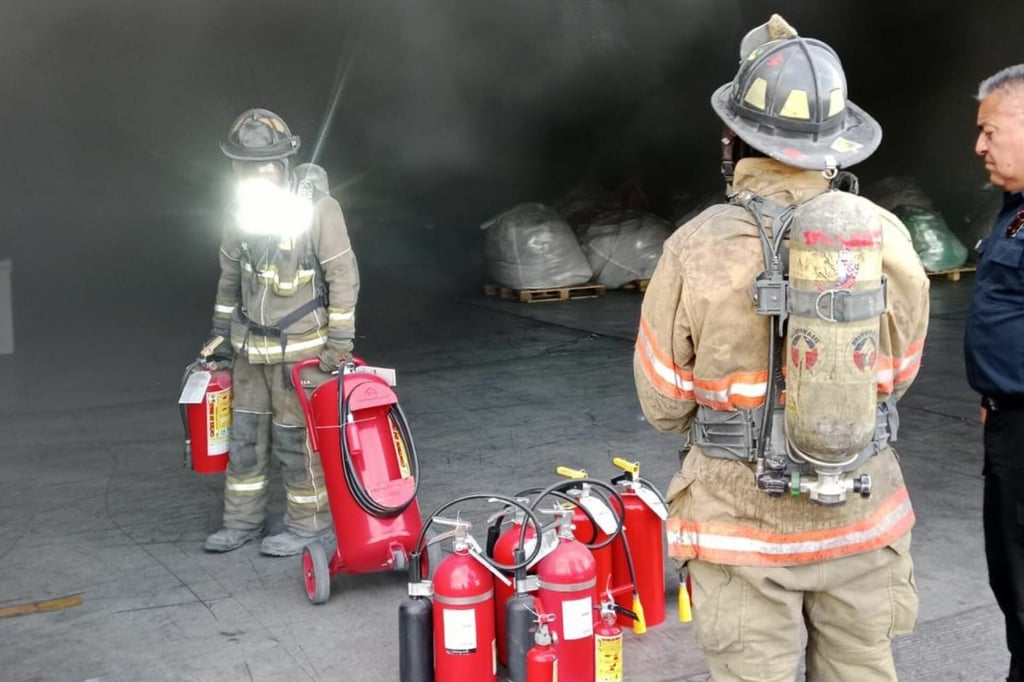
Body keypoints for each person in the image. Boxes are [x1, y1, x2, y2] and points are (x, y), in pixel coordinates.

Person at [633, 15, 930, 681]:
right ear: (836, 142)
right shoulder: (886, 237)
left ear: (734, 138)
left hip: (740, 528)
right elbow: (900, 376)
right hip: (862, 517)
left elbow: (662, 402)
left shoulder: (697, 246)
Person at [202, 108, 360, 556]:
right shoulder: (238, 213)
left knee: (297, 442)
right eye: (246, 166)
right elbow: (229, 280)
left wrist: (339, 345)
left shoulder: (320, 209)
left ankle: (309, 526)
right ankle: (242, 523)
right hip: (249, 352)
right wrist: (219, 339)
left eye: (265, 165)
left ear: (283, 163)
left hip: (300, 356)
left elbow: (343, 277)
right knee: (245, 441)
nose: (256, 174)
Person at [964, 64, 1024, 682]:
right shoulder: (1014, 212)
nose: (979, 146)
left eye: (991, 130)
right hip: (1009, 427)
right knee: (1012, 579)